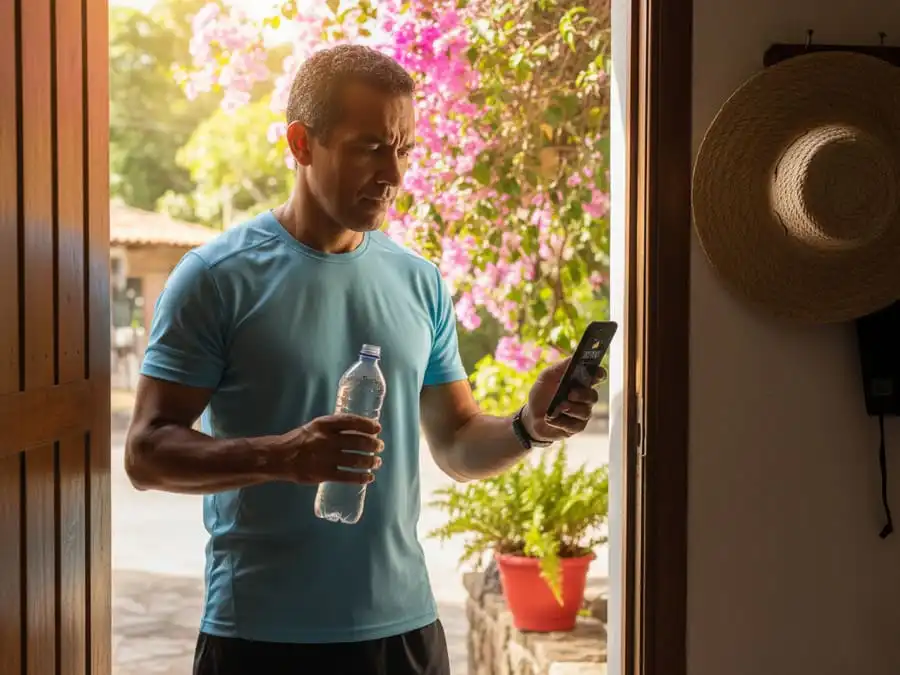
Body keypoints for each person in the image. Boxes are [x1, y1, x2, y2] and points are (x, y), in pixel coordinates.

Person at [125, 44, 605, 675]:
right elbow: (146, 453)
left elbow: (457, 443)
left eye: (403, 148)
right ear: (301, 143)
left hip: (403, 633)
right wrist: (281, 455)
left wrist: (525, 427)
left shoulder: (419, 282)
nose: (394, 174)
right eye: (369, 147)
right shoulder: (216, 278)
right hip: (261, 637)